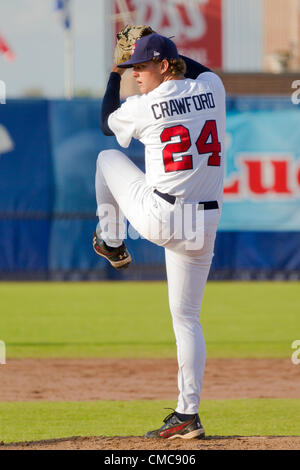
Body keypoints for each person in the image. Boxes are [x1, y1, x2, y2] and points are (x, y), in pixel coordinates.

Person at [94, 32, 226, 439]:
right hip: (204, 225)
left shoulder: (144, 106)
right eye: (132, 69)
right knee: (187, 318)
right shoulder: (212, 89)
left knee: (107, 157)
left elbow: (105, 124)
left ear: (164, 66)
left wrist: (113, 74)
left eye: (141, 66)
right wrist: (155, 45)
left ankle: (113, 239)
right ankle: (189, 414)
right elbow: (203, 72)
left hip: (163, 216)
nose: (136, 74)